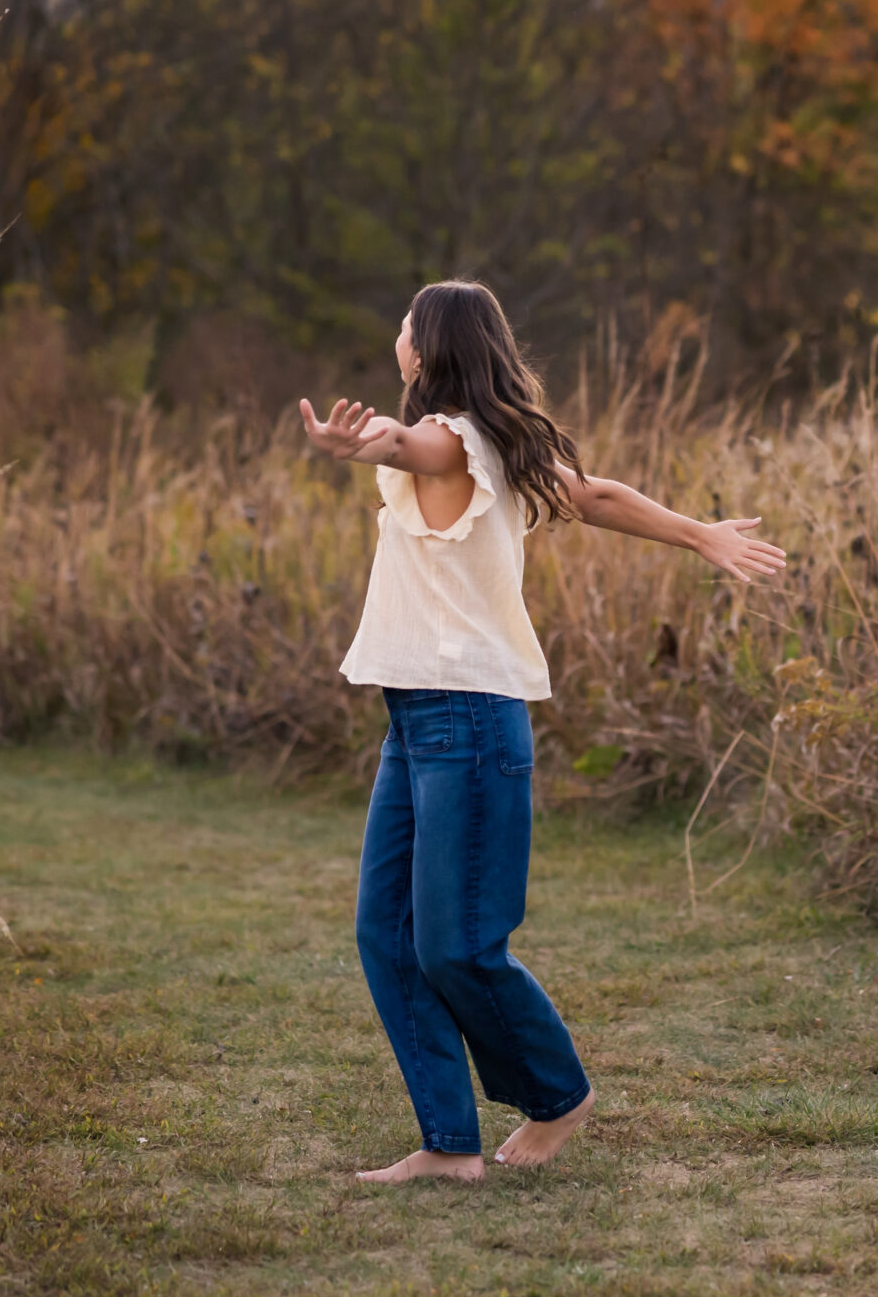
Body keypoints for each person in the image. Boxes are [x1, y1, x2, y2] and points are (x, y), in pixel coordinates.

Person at [299, 281, 787, 1184]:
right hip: (414, 717)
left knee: (456, 943)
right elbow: (594, 495)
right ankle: (449, 1144)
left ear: (431, 346)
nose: (395, 335)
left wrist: (354, 442)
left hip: (470, 718)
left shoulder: (450, 440)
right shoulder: (496, 443)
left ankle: (558, 1093)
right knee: (387, 933)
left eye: (405, 325)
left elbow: (408, 439)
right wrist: (697, 533)